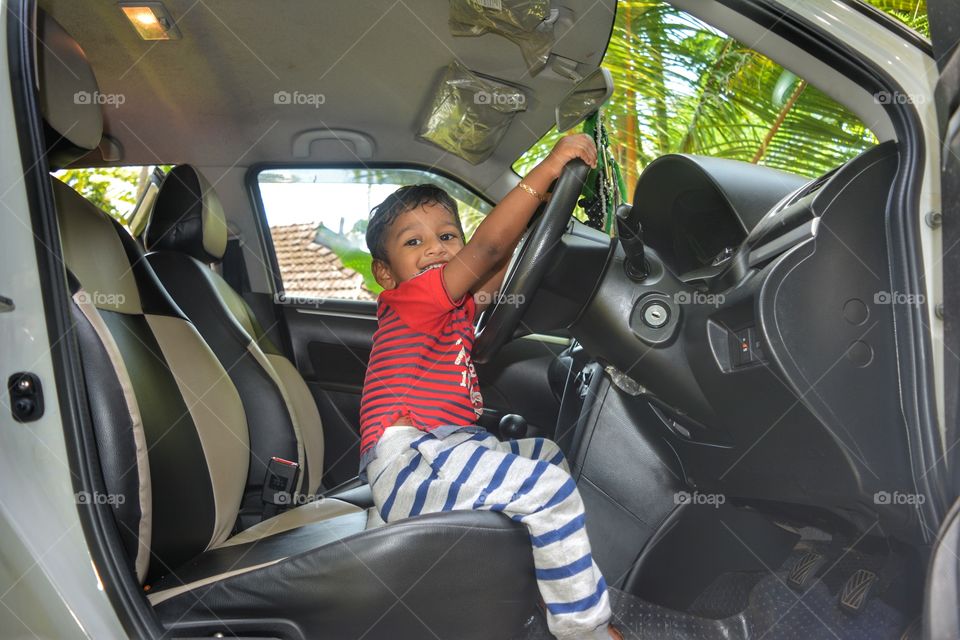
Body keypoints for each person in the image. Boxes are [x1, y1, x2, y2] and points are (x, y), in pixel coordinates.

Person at [358, 134, 622, 640]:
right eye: (414, 242)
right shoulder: (414, 300)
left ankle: (562, 575)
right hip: (412, 459)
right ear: (386, 274)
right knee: (548, 490)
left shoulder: (454, 305)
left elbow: (496, 269)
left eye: (447, 236)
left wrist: (541, 210)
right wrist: (547, 170)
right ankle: (584, 630)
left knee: (546, 454)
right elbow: (489, 248)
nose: (436, 248)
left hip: (448, 446)